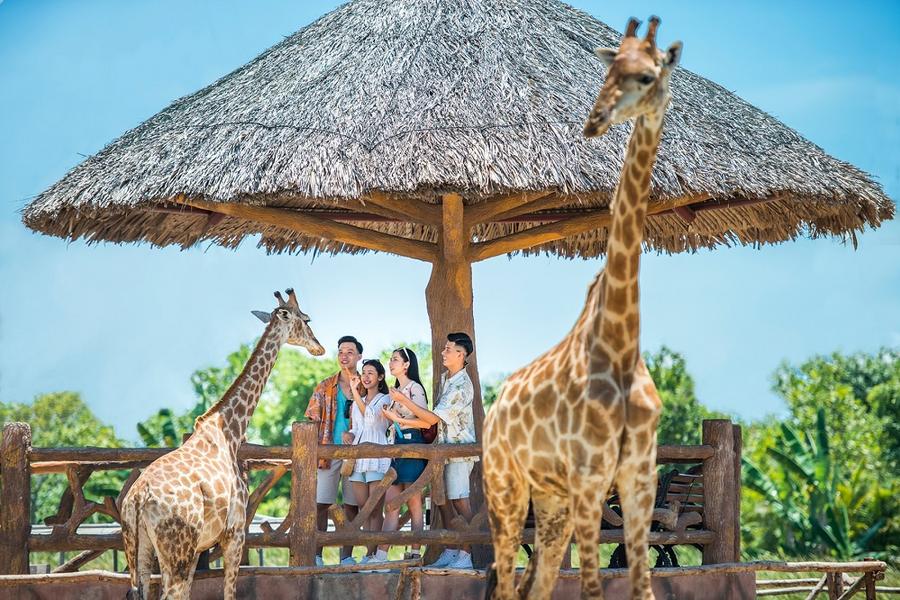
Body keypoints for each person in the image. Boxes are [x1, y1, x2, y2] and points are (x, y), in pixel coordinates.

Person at [386, 332, 478, 569]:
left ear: (461, 354)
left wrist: (404, 403)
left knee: (460, 501)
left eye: (448, 349)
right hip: (442, 450)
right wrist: (399, 418)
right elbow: (430, 422)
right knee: (443, 501)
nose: (443, 352)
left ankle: (467, 555)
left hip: (458, 450)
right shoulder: (447, 379)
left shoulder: (461, 385)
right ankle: (451, 548)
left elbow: (431, 418)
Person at [304, 335, 364, 566]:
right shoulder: (325, 386)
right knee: (321, 503)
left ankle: (347, 557)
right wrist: (314, 451)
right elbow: (311, 420)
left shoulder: (367, 383)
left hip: (357, 454)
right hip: (328, 453)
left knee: (351, 506)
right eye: (340, 351)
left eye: (349, 351)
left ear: (359, 356)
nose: (344, 355)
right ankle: (317, 556)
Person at [377, 347, 429, 563]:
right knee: (391, 503)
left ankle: (415, 553)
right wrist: (391, 416)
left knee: (415, 504)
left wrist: (398, 417)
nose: (391, 363)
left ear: (407, 365)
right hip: (395, 448)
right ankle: (381, 555)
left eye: (396, 360)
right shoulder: (395, 390)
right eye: (390, 359)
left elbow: (425, 419)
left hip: (413, 446)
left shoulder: (415, 388)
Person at [346, 359, 393, 565]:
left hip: (377, 457)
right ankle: (368, 552)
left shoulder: (386, 398)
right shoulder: (358, 402)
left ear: (380, 377)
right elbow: (358, 427)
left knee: (375, 508)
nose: (365, 377)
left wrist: (354, 392)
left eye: (370, 373)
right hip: (358, 459)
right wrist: (348, 434)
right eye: (363, 373)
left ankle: (374, 556)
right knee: (363, 507)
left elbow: (372, 420)